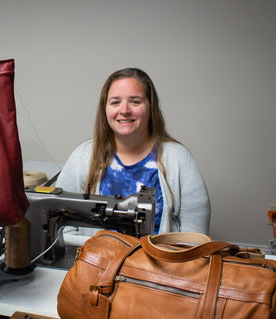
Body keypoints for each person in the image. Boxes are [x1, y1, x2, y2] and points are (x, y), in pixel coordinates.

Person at [56, 68, 210, 235]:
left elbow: (194, 234)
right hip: (97, 261)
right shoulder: (82, 157)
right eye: (115, 102)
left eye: (135, 102)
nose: (124, 110)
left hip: (161, 260)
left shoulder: (178, 159)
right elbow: (63, 225)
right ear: (105, 108)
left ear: (151, 107)